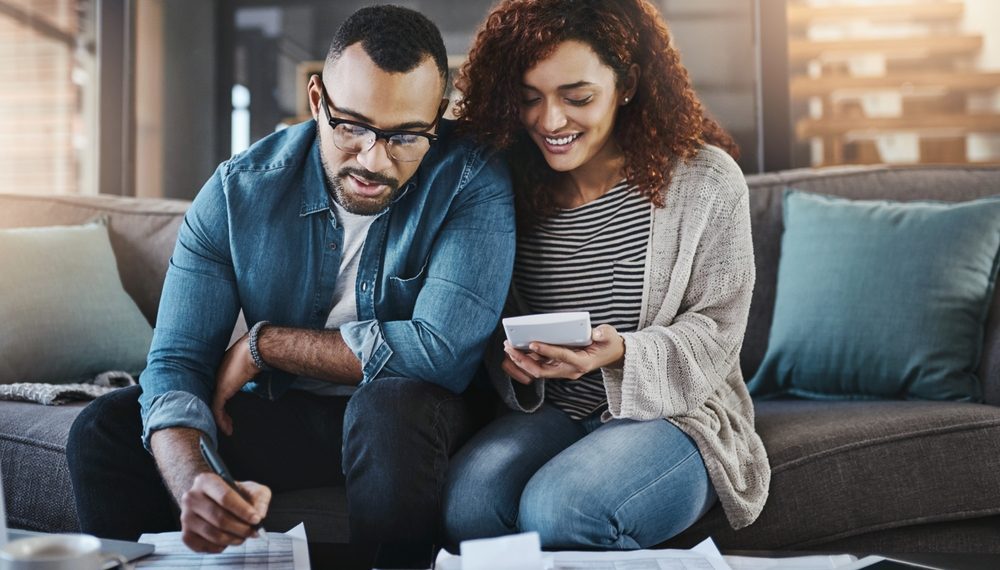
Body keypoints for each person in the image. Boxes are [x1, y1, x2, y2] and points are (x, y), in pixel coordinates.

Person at [66, 5, 514, 558]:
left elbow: (440, 352)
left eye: (405, 136)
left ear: (438, 116)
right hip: (297, 413)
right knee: (103, 430)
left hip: (418, 418)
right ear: (317, 101)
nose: (373, 160)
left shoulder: (471, 180)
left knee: (388, 410)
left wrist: (266, 345)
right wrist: (193, 484)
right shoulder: (239, 193)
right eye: (351, 126)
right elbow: (177, 361)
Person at [443, 0, 770, 549]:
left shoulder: (705, 181)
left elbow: (718, 331)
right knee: (468, 506)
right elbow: (482, 314)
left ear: (627, 84)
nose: (550, 121)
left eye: (578, 97)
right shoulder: (507, 187)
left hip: (676, 415)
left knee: (563, 509)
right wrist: (510, 364)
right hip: (555, 408)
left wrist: (621, 354)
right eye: (529, 99)